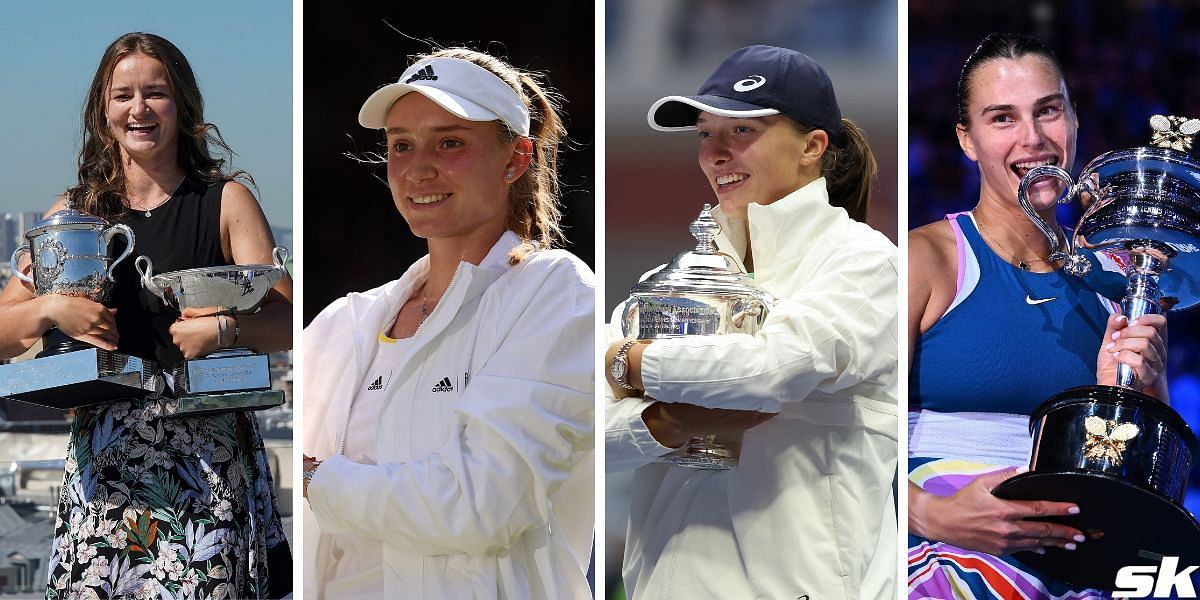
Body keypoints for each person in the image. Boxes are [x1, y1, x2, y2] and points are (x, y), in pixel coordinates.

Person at [0, 32, 292, 597]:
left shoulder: (226, 201)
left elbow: (287, 316)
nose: (139, 109)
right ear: (101, 111)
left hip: (205, 470)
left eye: (155, 93)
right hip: (104, 471)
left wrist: (225, 329)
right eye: (122, 95)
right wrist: (50, 307)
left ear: (182, 105)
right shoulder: (75, 214)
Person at [604, 45, 898, 599]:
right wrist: (669, 423)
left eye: (740, 131)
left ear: (812, 146)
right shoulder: (670, 280)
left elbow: (772, 371)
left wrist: (629, 362)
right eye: (704, 134)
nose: (714, 154)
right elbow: (583, 433)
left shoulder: (864, 261)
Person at [301, 48, 595, 599]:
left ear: (517, 159)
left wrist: (320, 481)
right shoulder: (343, 323)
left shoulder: (556, 291)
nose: (418, 168)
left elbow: (480, 505)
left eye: (450, 142)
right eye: (401, 146)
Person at [907, 33, 1169, 598]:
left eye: (1048, 111)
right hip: (936, 558)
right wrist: (929, 515)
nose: (1033, 139)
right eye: (1003, 118)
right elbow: (841, 434)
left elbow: (1154, 479)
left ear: (1073, 120)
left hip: (1082, 562)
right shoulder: (923, 261)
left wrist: (1128, 392)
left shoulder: (1123, 279)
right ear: (967, 140)